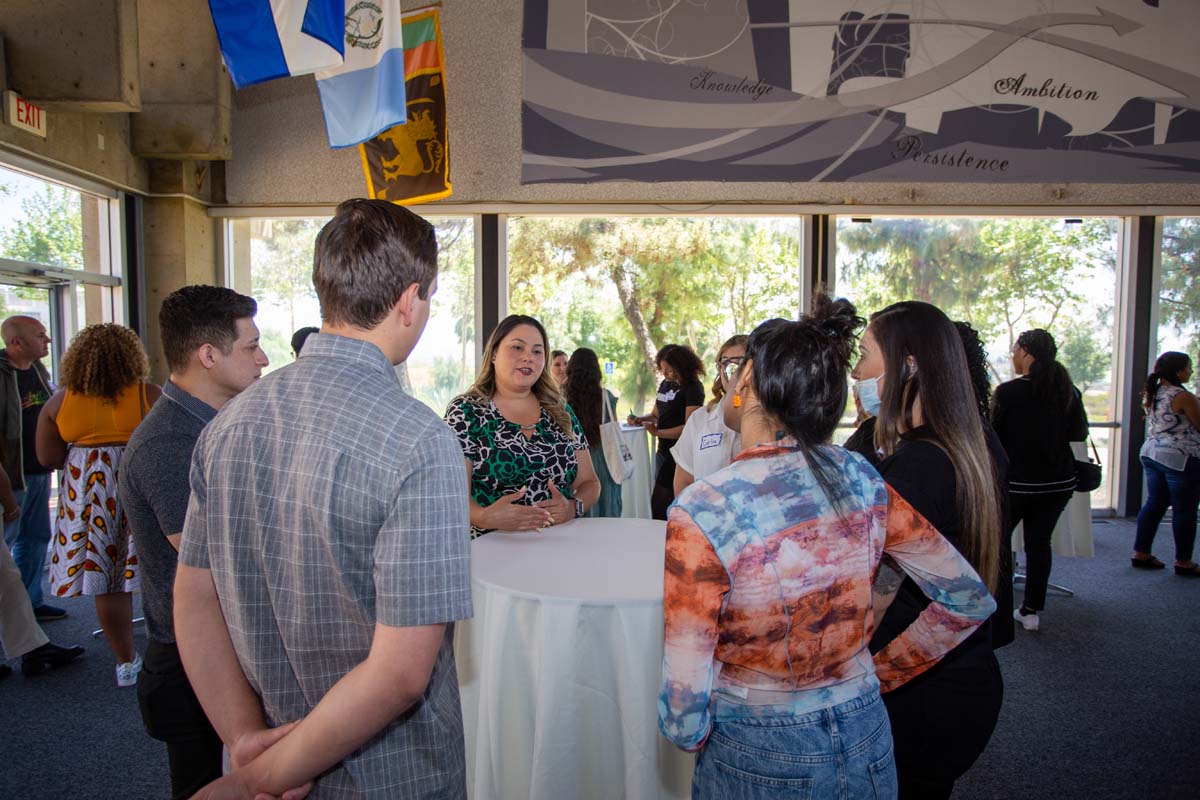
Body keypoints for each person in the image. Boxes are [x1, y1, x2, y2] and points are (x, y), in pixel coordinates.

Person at [176, 199, 473, 799]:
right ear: (410, 300)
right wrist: (263, 775)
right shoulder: (419, 440)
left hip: (268, 741)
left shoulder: (229, 424)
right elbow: (399, 674)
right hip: (390, 772)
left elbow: (193, 594)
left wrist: (245, 739)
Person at [659, 298, 997, 799]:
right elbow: (967, 599)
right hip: (867, 733)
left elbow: (685, 709)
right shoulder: (861, 476)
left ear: (747, 379)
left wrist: (694, 732)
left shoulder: (704, 507)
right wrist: (873, 675)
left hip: (759, 745)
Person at [852, 301, 1007, 800]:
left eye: (864, 354)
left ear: (908, 364)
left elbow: (876, 593)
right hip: (960, 680)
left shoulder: (919, 466)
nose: (856, 371)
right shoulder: (968, 444)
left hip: (922, 694)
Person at [120, 286, 268, 799]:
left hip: (229, 647)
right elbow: (219, 559)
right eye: (251, 345)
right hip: (192, 664)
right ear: (209, 355)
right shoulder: (168, 443)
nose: (263, 358)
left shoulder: (217, 427)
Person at [35, 324, 161, 686]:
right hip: (139, 488)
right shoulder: (147, 395)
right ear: (131, 356)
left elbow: (46, 456)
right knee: (159, 569)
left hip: (88, 496)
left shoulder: (61, 400)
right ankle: (170, 648)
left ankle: (125, 662)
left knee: (107, 581)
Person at [445, 315, 601, 537]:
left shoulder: (560, 411)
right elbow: (451, 495)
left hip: (558, 546)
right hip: (490, 551)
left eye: (537, 351)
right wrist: (484, 516)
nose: (528, 357)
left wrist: (572, 508)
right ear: (494, 353)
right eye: (517, 347)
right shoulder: (465, 412)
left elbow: (590, 483)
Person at [992, 329, 1089, 630]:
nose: (1012, 357)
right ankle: (1031, 610)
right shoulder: (1067, 391)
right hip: (1058, 483)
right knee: (1039, 543)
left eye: (1014, 350)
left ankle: (997, 605)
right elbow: (1079, 434)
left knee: (999, 543)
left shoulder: (1008, 393)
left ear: (1025, 352)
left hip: (1016, 483)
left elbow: (993, 437)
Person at [0, 315, 65, 621]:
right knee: (6, 544)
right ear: (16, 343)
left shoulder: (38, 370)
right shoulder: (2, 375)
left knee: (37, 536)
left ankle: (30, 602)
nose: (47, 341)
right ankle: (8, 614)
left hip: (38, 471)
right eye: (40, 336)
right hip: (10, 477)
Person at [0, 463, 85, 680]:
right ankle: (33, 648)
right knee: (7, 578)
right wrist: (9, 503)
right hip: (24, 472)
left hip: (28, 470)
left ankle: (33, 647)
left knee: (8, 579)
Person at [1133, 351, 1200, 576]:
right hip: (1178, 457)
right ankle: (1184, 561)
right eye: (1189, 367)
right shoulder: (1182, 396)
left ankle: (1141, 553)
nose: (1191, 371)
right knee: (1185, 509)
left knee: (1155, 503)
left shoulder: (1154, 392)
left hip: (1152, 453)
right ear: (1178, 370)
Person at [636, 344, 704, 520]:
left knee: (662, 504)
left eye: (669, 369)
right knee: (661, 504)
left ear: (682, 366)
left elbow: (690, 428)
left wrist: (657, 433)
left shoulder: (693, 388)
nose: (665, 374)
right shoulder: (665, 385)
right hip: (663, 452)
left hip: (680, 455)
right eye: (662, 369)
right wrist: (640, 419)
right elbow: (654, 415)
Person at [673, 335, 745, 496]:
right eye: (725, 364)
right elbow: (683, 481)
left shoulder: (769, 419)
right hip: (704, 517)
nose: (733, 373)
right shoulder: (699, 420)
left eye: (741, 364)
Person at [564, 347, 622, 518]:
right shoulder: (605, 396)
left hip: (573, 459)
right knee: (607, 505)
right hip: (603, 459)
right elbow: (613, 426)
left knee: (578, 506)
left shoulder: (561, 396)